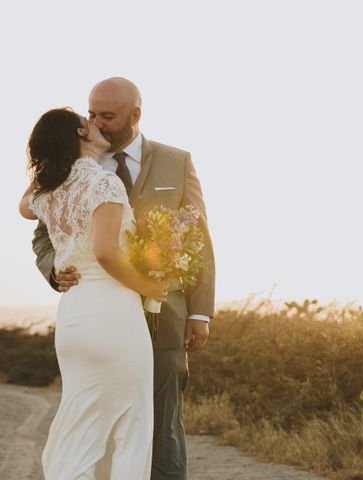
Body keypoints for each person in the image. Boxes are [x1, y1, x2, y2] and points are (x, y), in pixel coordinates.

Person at [32, 77, 216, 480]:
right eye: (91, 114)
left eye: (108, 116)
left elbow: (198, 235)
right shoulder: (71, 169)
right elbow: (42, 233)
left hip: (165, 313)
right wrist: (54, 267)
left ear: (135, 115)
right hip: (105, 310)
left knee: (162, 424)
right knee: (112, 422)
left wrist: (200, 312)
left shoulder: (176, 160)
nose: (98, 123)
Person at [20, 108, 169, 478]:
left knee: (80, 427)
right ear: (79, 132)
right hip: (113, 315)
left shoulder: (50, 190)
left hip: (73, 317)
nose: (98, 126)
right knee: (130, 424)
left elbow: (24, 206)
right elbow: (105, 252)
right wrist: (148, 285)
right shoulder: (105, 184)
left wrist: (50, 161)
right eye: (89, 123)